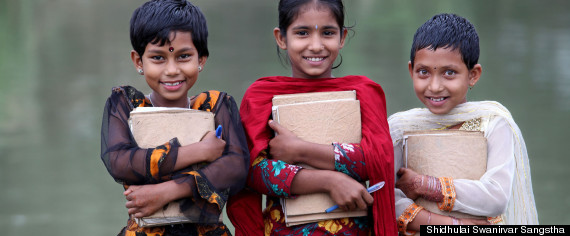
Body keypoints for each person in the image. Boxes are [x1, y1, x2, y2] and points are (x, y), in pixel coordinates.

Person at [226, 0, 397, 235]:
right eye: (302, 33)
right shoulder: (261, 97)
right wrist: (330, 181)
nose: (316, 46)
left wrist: (300, 150)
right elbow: (252, 172)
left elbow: (379, 161)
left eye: (328, 33)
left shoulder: (364, 94)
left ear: (342, 37)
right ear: (281, 38)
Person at [100, 0, 249, 235]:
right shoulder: (126, 105)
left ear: (201, 59)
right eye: (158, 58)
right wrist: (198, 152)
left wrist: (169, 191)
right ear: (139, 61)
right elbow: (120, 162)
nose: (171, 70)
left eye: (183, 56)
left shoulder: (215, 107)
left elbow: (236, 166)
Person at [389, 13, 539, 235]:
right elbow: (385, 198)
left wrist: (426, 185)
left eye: (449, 73)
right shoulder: (400, 129)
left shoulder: (493, 124)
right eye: (424, 72)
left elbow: (496, 197)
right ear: (411, 71)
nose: (435, 86)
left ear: (473, 75)